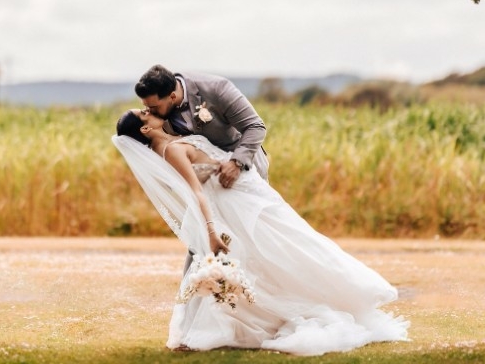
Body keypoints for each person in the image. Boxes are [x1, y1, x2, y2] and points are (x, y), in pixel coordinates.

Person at [113, 108, 409, 355]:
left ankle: (326, 297)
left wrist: (215, 165)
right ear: (146, 130)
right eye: (144, 114)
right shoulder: (172, 149)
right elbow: (196, 193)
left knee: (287, 245)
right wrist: (212, 231)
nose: (149, 110)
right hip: (236, 205)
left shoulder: (172, 142)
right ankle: (317, 303)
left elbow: (200, 176)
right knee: (287, 246)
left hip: (245, 194)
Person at [133, 64, 269, 184]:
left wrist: (236, 163)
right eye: (146, 106)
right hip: (208, 181)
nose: (149, 111)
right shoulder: (155, 117)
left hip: (244, 166)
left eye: (154, 107)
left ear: (172, 97)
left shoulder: (217, 88)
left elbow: (255, 126)